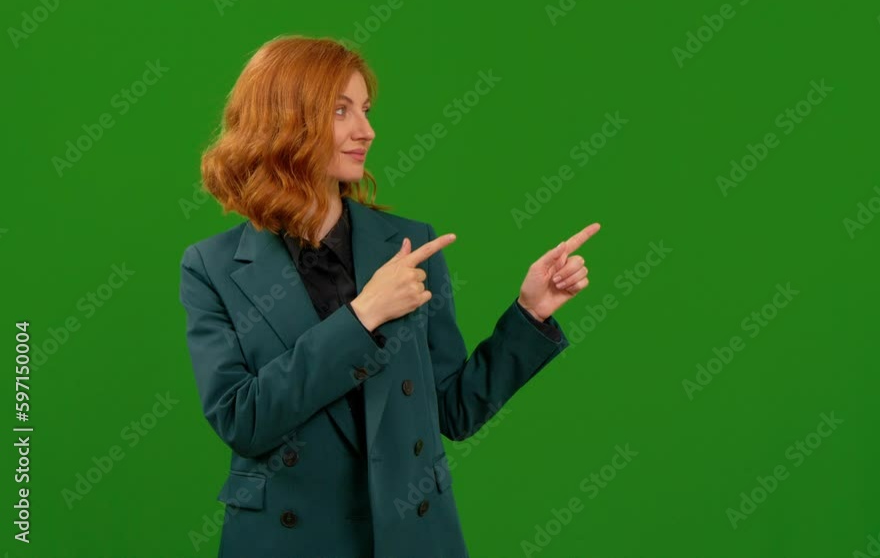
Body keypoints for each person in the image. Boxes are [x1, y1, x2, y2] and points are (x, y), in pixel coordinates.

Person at [178, 34, 599, 558]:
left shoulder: (410, 244)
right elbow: (243, 420)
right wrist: (363, 316)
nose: (366, 130)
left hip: (412, 537)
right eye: (341, 110)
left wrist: (529, 312)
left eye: (366, 110)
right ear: (285, 122)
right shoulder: (212, 267)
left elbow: (453, 411)